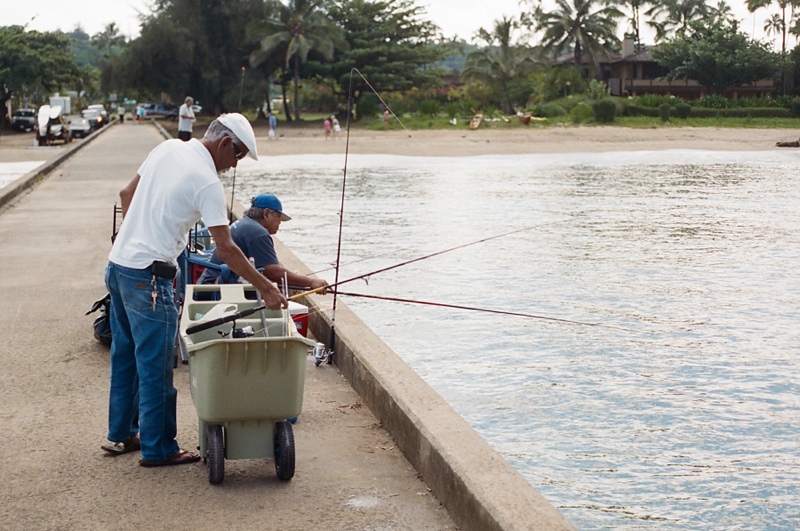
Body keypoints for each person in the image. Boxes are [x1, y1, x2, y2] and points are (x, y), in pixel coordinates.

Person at [102, 113, 286, 467]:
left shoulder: (168, 148)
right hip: (149, 280)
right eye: (238, 155)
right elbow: (227, 248)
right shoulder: (207, 182)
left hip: (119, 265)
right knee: (156, 365)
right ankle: (159, 449)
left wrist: (131, 238)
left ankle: (121, 434)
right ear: (223, 144)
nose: (234, 166)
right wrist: (265, 287)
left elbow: (127, 193)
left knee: (125, 356)